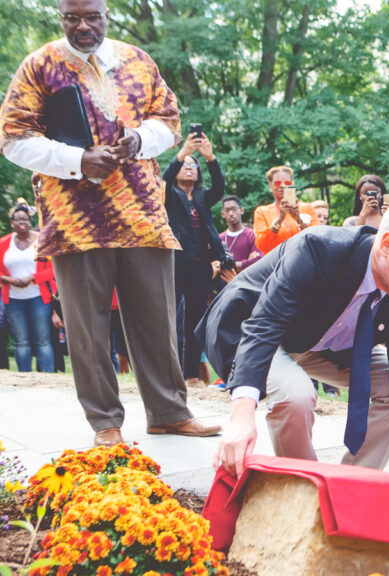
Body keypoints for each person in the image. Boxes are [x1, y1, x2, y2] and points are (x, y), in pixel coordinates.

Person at [0, 0, 220, 446]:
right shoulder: (39, 65)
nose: (83, 26)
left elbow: (169, 122)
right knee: (88, 329)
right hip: (74, 220)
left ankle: (169, 412)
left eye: (92, 17)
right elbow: (13, 138)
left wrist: (140, 139)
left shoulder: (137, 60)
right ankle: (106, 424)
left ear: (106, 14)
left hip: (143, 213)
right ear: (60, 16)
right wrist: (77, 160)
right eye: (72, 18)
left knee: (158, 319)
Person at [201, 201, 389, 479]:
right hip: (252, 329)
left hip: (323, 342)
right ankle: (304, 487)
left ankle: (349, 485)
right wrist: (241, 416)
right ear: (387, 244)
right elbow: (265, 324)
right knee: (295, 394)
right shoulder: (319, 248)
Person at [163, 130, 226, 388]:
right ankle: (169, 374)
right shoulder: (168, 194)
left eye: (193, 166)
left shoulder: (202, 196)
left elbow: (220, 187)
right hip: (175, 263)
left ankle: (191, 376)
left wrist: (209, 157)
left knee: (195, 321)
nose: (189, 168)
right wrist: (184, 153)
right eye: (186, 166)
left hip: (201, 266)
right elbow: (164, 178)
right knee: (171, 319)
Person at [0, 205, 57, 373]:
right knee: (21, 341)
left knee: (43, 340)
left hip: (39, 297)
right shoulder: (3, 243)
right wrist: (7, 279)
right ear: (12, 223)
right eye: (18, 220)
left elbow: (54, 269)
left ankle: (47, 377)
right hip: (13, 299)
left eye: (25, 219)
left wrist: (33, 278)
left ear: (30, 221)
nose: (22, 223)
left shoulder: (42, 240)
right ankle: (25, 378)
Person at [253, 166, 316, 254]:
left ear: (292, 184)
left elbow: (317, 238)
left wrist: (299, 220)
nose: (283, 186)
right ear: (270, 186)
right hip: (276, 263)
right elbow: (262, 245)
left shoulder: (307, 208)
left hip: (303, 260)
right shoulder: (262, 211)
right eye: (278, 183)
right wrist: (279, 219)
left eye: (287, 182)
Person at [219, 195, 263, 274]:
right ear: (223, 214)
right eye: (227, 210)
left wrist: (228, 266)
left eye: (234, 209)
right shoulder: (219, 239)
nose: (231, 213)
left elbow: (258, 262)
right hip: (225, 284)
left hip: (247, 281)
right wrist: (245, 263)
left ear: (241, 211)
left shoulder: (252, 235)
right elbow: (216, 265)